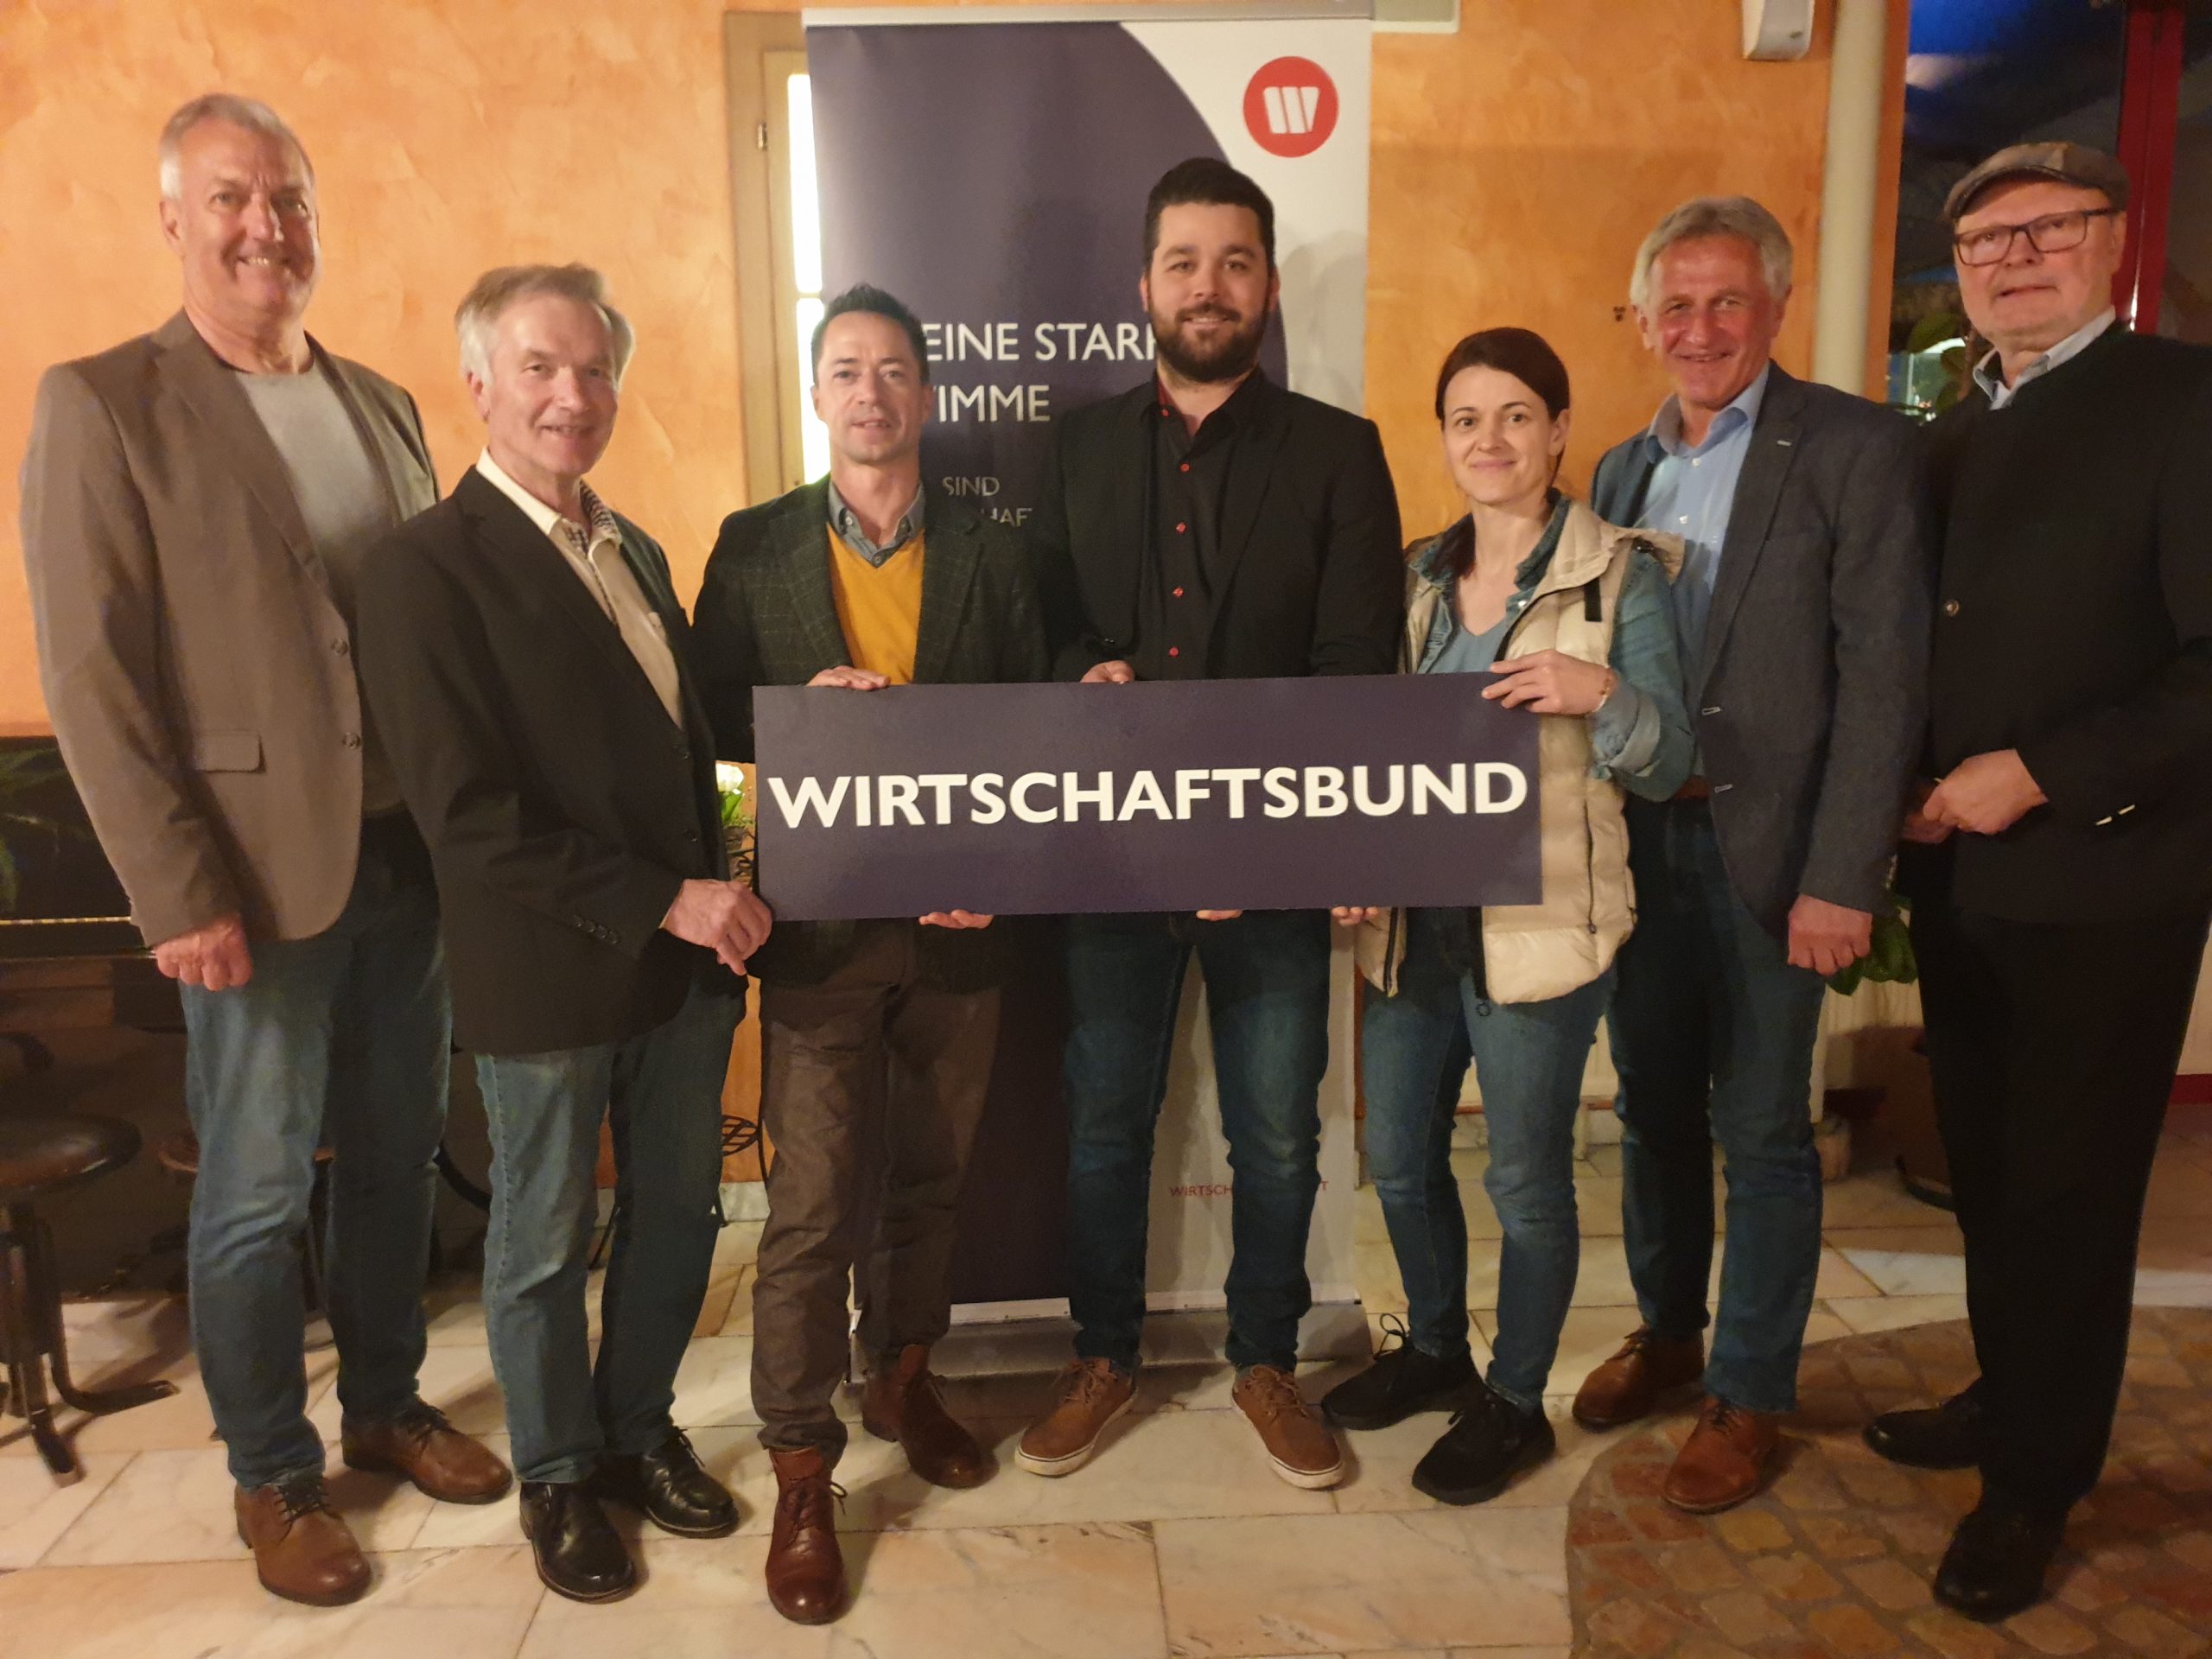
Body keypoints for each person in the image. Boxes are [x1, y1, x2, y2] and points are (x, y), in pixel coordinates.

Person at [19, 94, 509, 1607]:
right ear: (174, 219)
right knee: (250, 1190)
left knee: (395, 1162)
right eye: (231, 198)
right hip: (249, 882)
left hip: (404, 863)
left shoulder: (383, 403)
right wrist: (177, 892)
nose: (264, 227)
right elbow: (93, 679)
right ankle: (273, 1473)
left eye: (288, 198)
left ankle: (385, 1402)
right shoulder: (104, 403)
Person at [355, 264, 771, 1604]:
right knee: (541, 1243)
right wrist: (669, 896)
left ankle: (637, 1433)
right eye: (539, 367)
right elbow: (466, 817)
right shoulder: (421, 570)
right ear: (479, 384)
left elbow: (692, 750)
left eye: (594, 369)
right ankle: (556, 1472)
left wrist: (739, 861)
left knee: (678, 1218)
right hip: (545, 972)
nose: (571, 395)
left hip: (685, 969)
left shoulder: (633, 545)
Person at [1019, 156, 1403, 1491]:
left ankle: (1266, 1361)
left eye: (1235, 263)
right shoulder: (1071, 451)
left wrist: (1259, 839)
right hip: (1112, 861)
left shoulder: (1340, 454)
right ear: (1145, 283)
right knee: (1105, 1127)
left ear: (1268, 286)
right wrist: (1081, 674)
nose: (1208, 286)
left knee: (1281, 1137)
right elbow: (1037, 634)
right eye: (1184, 262)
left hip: (1277, 865)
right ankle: (1102, 1356)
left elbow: (1358, 668)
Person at [1873, 142, 2212, 1621]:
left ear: (2111, 240)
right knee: (1993, 1176)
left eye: (2045, 230)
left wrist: (2046, 771)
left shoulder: (2185, 404)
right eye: (1983, 242)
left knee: (2072, 1196)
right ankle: (2009, 1396)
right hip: (1962, 885)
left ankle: (2035, 1484)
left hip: (2108, 885)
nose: (2012, 260)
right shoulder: (1950, 431)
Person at [690, 282, 1047, 1624]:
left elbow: (1037, 742)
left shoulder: (996, 554)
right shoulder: (755, 548)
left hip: (958, 930)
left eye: (894, 370)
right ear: (817, 393)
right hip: (820, 935)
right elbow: (714, 750)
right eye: (847, 370)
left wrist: (1001, 880)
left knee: (931, 1182)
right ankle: (801, 1464)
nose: (872, 393)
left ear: (929, 396)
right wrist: (770, 787)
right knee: (811, 1207)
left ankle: (902, 1380)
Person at [1575, 196, 1929, 1513]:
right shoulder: (1619, 472)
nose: (1700, 328)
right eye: (1675, 304)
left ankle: (1751, 1389)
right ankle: (1670, 1334)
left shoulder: (1854, 447)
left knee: (1766, 1131)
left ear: (1776, 307)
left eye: (1727, 301)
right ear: (1644, 320)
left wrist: (1844, 875)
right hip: (1643, 846)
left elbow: (1885, 676)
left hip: (1779, 855)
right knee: (1652, 1110)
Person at [1321, 328, 1692, 1503]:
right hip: (1412, 923)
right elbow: (1373, 749)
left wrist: (1602, 691)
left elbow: (1671, 759)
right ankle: (1437, 1349)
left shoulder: (1620, 576)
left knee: (1526, 1181)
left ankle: (1516, 1400)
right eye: (1467, 419)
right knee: (1398, 1160)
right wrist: (1353, 853)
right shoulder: (1416, 577)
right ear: (1445, 439)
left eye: (1517, 415)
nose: (1491, 439)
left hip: (1540, 929)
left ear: (1560, 429)